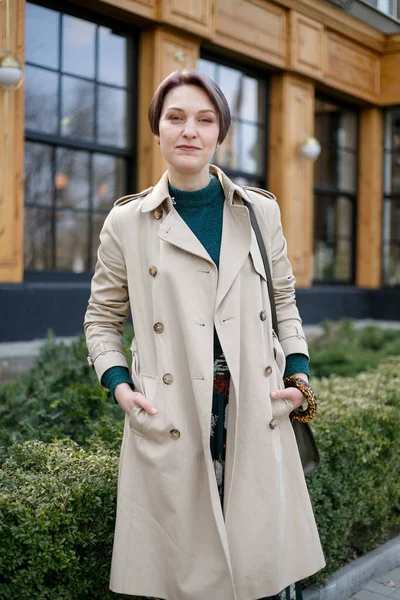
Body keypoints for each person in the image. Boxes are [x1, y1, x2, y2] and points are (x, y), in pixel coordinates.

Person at [84, 69, 325, 600]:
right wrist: (121, 385)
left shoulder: (259, 211)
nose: (189, 130)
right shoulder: (127, 222)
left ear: (220, 132)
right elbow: (101, 319)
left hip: (253, 410)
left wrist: (299, 373)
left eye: (204, 119)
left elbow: (284, 303)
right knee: (184, 579)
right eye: (175, 118)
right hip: (171, 415)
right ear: (158, 130)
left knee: (259, 574)